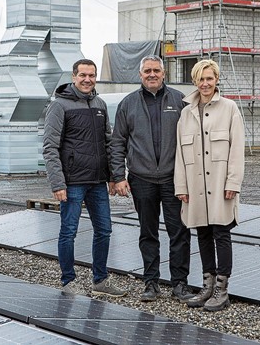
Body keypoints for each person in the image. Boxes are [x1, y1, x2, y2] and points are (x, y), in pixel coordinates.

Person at [111, 55, 193, 303]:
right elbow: (117, 143)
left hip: (173, 180)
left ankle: (179, 284)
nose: (152, 74)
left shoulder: (180, 100)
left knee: (179, 232)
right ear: (140, 74)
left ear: (164, 73)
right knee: (148, 233)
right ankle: (151, 282)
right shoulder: (128, 104)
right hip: (141, 179)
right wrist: (118, 175)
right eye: (147, 71)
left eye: (156, 70)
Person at [43, 58, 126, 298]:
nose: (88, 79)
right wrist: (58, 183)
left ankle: (100, 280)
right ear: (74, 77)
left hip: (98, 182)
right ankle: (68, 281)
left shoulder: (99, 104)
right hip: (72, 182)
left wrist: (113, 176)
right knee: (69, 231)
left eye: (92, 75)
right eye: (83, 75)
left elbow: (108, 142)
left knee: (104, 230)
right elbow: (50, 146)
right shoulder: (59, 106)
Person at [174, 59, 244, 312]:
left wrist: (233, 182)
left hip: (220, 183)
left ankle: (222, 291)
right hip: (195, 186)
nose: (205, 83)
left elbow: (237, 149)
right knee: (202, 234)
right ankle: (207, 286)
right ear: (195, 81)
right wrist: (181, 186)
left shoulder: (229, 108)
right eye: (201, 79)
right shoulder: (185, 113)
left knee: (221, 234)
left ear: (216, 80)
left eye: (210, 79)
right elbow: (180, 154)